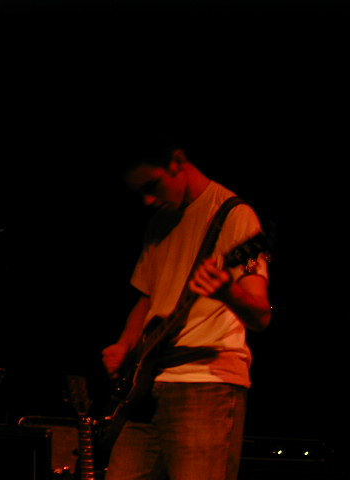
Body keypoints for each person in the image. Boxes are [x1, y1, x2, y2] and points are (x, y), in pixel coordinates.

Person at [101, 133, 272, 480]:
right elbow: (148, 297)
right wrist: (125, 344)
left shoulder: (235, 216)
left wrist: (228, 293)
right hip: (146, 387)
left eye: (152, 185)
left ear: (177, 161)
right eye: (140, 192)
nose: (148, 199)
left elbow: (261, 316)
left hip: (205, 385)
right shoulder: (159, 222)